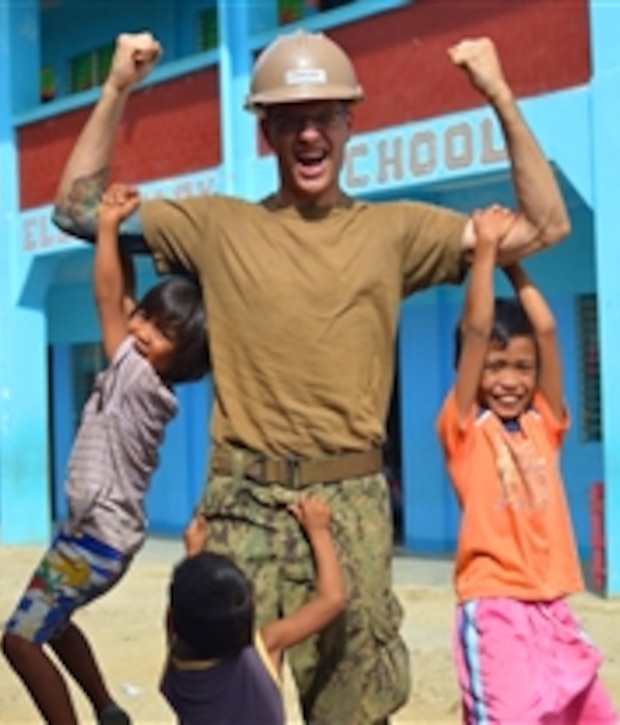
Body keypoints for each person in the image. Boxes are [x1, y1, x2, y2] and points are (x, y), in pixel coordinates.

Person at [53, 27, 571, 723]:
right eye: (289, 121)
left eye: (323, 117)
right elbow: (78, 210)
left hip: (350, 502)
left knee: (354, 712)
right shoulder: (217, 227)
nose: (307, 136)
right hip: (242, 502)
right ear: (265, 132)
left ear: (348, 123)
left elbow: (545, 223)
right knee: (224, 709)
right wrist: (117, 86)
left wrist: (499, 94)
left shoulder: (396, 232)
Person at [0, 182, 210, 724]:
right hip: (93, 536)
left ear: (178, 360)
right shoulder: (147, 372)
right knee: (56, 623)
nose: (141, 332)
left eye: (161, 333)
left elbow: (107, 299)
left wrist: (110, 229)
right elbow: (122, 302)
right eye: (144, 318)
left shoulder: (136, 375)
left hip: (93, 541)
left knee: (19, 643)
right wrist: (123, 259)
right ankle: (107, 708)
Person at [436, 205, 619, 724]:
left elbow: (546, 327)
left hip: (552, 607)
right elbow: (476, 333)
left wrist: (514, 263)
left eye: (522, 368)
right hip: (495, 608)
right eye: (495, 368)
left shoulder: (545, 424)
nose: (510, 380)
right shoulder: (465, 429)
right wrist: (487, 251)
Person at [161, 496, 345, 723]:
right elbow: (333, 599)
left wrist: (194, 555)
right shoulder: (259, 654)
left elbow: (178, 614)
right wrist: (319, 531)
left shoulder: (178, 669)